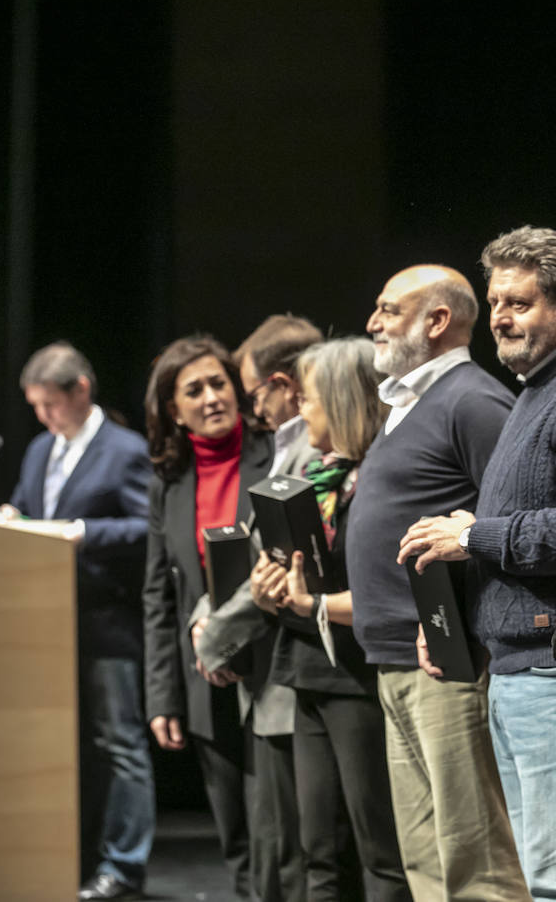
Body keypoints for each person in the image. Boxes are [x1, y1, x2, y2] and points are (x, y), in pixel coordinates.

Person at [399, 226, 556, 902]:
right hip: (516, 668)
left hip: (553, 669)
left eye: (520, 303)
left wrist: (473, 538)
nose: (501, 318)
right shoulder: (539, 387)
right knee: (543, 877)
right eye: (496, 302)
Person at [350, 264, 527, 902]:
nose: (373, 323)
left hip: (446, 660)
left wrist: (465, 627)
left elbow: (505, 519)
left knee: (475, 857)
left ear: (437, 321)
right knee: (426, 855)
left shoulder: (472, 400)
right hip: (398, 658)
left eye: (388, 309)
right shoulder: (408, 403)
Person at [247, 338, 412, 901]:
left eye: (311, 399)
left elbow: (387, 593)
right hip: (307, 667)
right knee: (317, 849)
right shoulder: (317, 476)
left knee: (380, 851)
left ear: (342, 402)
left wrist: (311, 603)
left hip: (357, 675)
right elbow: (298, 569)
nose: (301, 411)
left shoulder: (381, 483)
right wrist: (268, 587)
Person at [0, 342, 155, 902]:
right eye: (35, 406)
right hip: (46, 628)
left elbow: (147, 530)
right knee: (70, 744)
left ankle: (124, 864)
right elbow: (26, 506)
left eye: (49, 404)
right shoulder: (41, 449)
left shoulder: (125, 450)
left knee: (119, 744)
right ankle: (74, 855)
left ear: (80, 390)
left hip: (107, 621)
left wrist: (81, 531)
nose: (42, 417)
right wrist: (12, 517)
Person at [191, 314, 324, 901]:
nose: (252, 411)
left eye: (253, 395)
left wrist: (211, 635)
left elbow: (277, 565)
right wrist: (206, 611)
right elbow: (250, 548)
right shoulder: (284, 450)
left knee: (299, 853)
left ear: (282, 384)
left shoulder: (319, 456)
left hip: (300, 681)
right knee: (274, 851)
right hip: (269, 680)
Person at [141, 335, 271, 897]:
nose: (212, 397)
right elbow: (157, 597)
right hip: (204, 675)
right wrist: (163, 695)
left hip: (272, 668)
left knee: (281, 829)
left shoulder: (276, 453)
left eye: (219, 383)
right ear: (174, 409)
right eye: (194, 390)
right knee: (236, 834)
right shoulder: (168, 482)